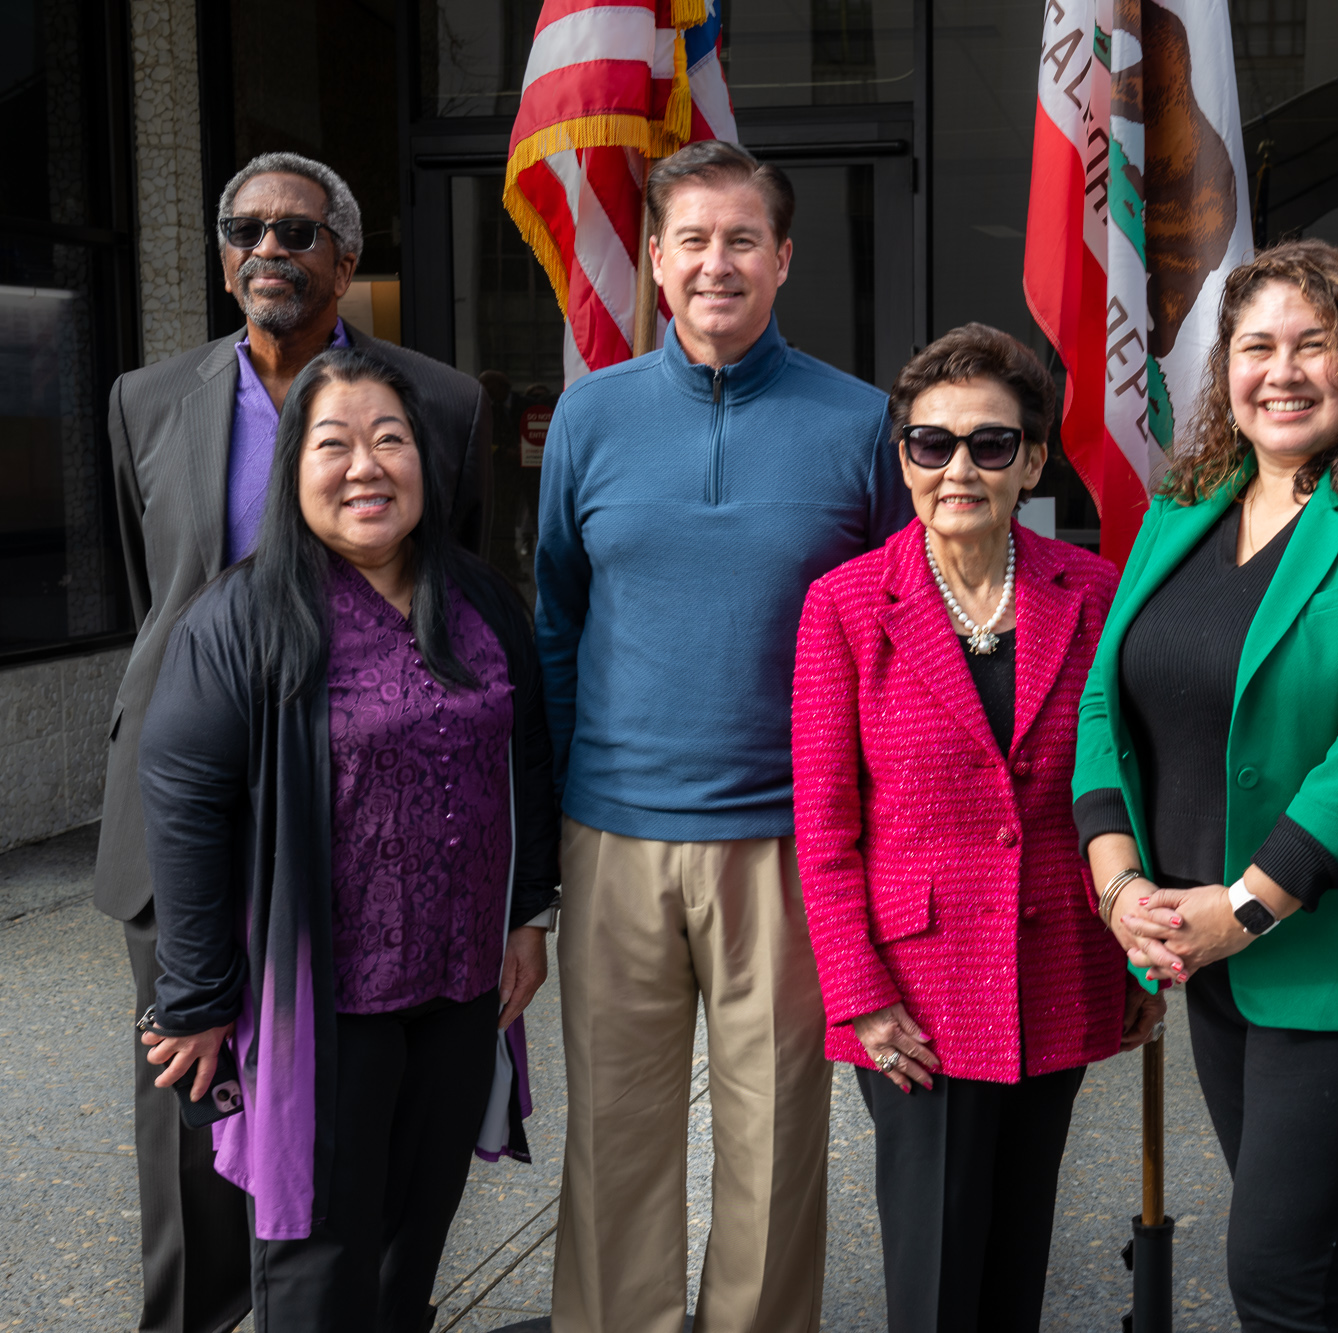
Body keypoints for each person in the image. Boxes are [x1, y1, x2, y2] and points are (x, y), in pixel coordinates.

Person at [93, 151, 492, 1333]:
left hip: (368, 806)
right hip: (185, 811)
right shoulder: (144, 400)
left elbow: (448, 592)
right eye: (245, 228)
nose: (270, 246)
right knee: (195, 1096)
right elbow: (154, 595)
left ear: (345, 259)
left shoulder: (441, 403)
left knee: (358, 1111)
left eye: (298, 231)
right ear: (222, 256)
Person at [1077, 238, 1338, 1332]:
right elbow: (1100, 707)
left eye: (1315, 344)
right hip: (1205, 954)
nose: (1282, 370)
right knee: (1303, 1271)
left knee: (1271, 1271)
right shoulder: (1187, 505)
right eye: (1255, 346)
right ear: (1225, 372)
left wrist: (1246, 904)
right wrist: (1119, 887)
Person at [535, 139, 910, 1333]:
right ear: (652, 258)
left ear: (784, 257)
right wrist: (547, 833)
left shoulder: (862, 426)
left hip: (791, 841)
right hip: (613, 836)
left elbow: (895, 648)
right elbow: (556, 622)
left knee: (773, 1134)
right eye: (690, 239)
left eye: (740, 238)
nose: (715, 263)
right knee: (616, 1135)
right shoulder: (588, 420)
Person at [136, 349, 556, 1332]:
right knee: (319, 1264)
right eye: (333, 443)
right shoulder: (240, 619)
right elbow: (186, 808)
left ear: (429, 463)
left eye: (390, 439)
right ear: (292, 468)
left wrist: (529, 912)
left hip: (460, 989)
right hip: (324, 1005)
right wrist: (196, 1001)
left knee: (411, 1246)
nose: (365, 465)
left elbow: (526, 761)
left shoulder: (483, 602)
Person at [792, 325, 1165, 1332]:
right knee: (936, 1277)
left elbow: (1126, 785)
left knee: (1017, 1258)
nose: (959, 466)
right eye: (930, 443)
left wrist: (1135, 960)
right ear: (902, 455)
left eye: (990, 444)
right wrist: (861, 998)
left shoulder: (1092, 592)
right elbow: (822, 829)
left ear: (1032, 460)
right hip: (914, 999)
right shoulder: (843, 604)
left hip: (1057, 969)